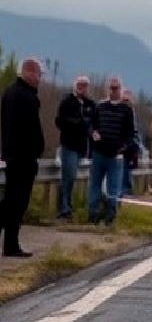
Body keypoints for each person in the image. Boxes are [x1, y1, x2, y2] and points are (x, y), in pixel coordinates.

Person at [0, 59, 45, 257]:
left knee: (12, 201)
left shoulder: (9, 93)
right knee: (16, 203)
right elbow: (31, 130)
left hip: (11, 155)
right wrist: (37, 149)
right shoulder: (26, 97)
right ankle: (10, 244)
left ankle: (11, 244)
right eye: (38, 74)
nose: (40, 79)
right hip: (23, 158)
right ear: (29, 72)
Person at [88, 77, 135, 225]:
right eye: (111, 88)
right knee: (95, 184)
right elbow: (92, 125)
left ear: (120, 90)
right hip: (99, 152)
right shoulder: (100, 107)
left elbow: (130, 133)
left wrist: (123, 148)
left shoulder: (126, 110)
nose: (113, 91)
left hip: (115, 154)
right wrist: (93, 133)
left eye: (116, 88)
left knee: (113, 187)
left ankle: (110, 215)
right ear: (107, 89)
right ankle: (93, 214)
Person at [54, 76, 96, 220]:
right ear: (75, 86)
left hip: (82, 146)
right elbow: (59, 121)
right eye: (80, 85)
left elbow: (93, 125)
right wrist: (77, 123)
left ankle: (66, 207)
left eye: (85, 85)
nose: (82, 88)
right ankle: (63, 209)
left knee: (70, 178)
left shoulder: (90, 105)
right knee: (69, 176)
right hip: (68, 144)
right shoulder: (67, 102)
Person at [119, 89, 141, 196]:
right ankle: (125, 188)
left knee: (126, 166)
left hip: (129, 143)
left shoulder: (131, 111)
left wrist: (135, 144)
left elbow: (134, 129)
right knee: (124, 166)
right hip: (123, 142)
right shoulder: (122, 110)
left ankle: (125, 188)